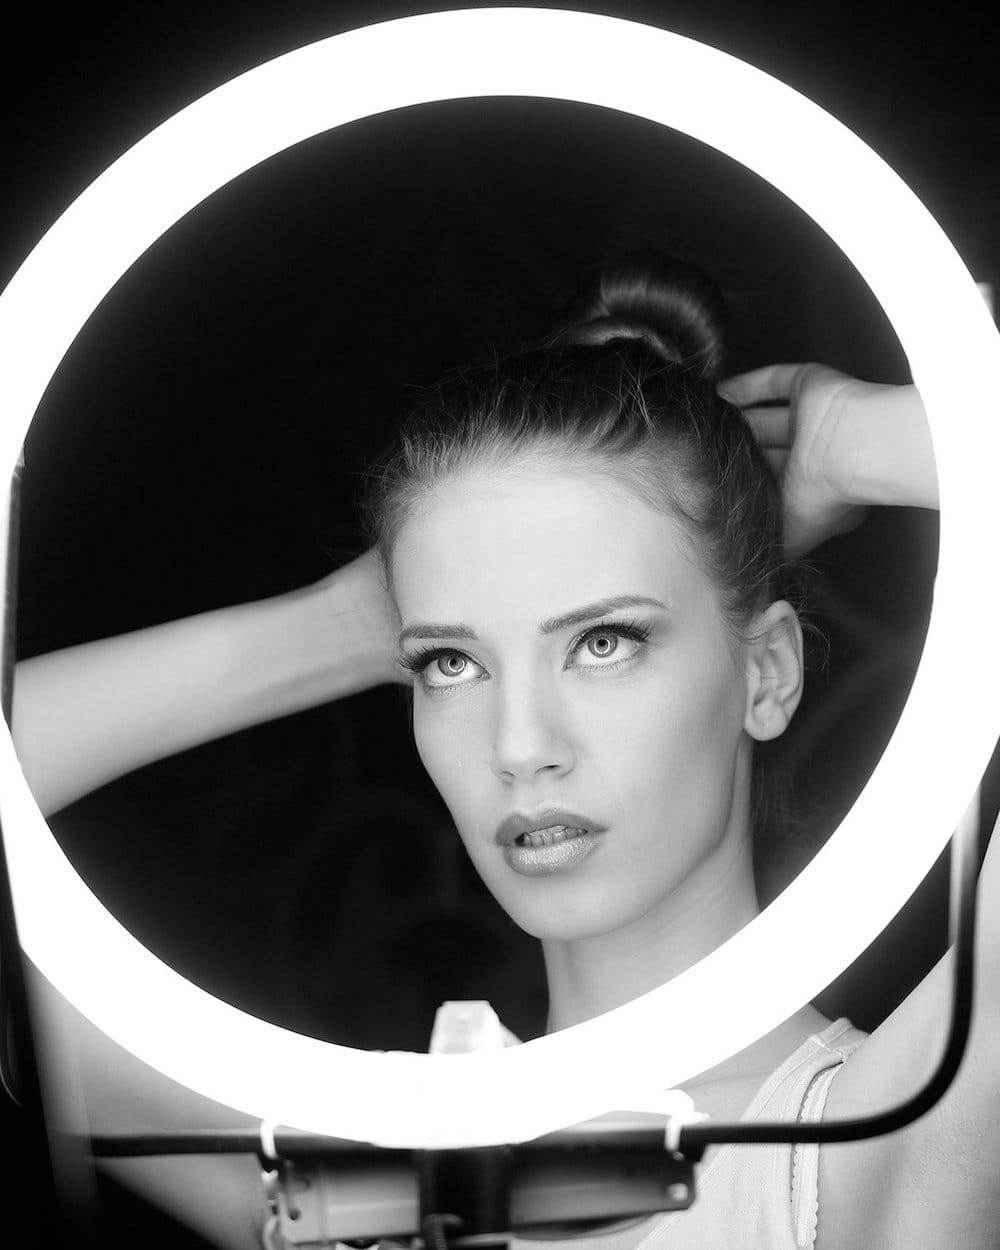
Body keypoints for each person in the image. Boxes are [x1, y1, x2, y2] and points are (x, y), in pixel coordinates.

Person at [7, 253, 995, 1250]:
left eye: (603, 642)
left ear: (768, 671)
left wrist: (866, 443)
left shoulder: (885, 1143)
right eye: (449, 664)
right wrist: (348, 624)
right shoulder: (360, 1173)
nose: (520, 747)